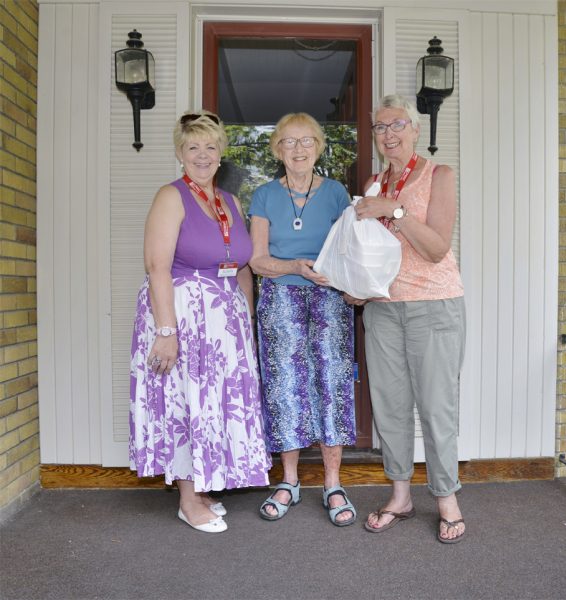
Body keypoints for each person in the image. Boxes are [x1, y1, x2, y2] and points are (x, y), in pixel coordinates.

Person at [129, 111, 271, 533]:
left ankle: (203, 487)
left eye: (210, 147)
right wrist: (166, 332)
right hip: (183, 314)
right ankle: (189, 501)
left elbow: (242, 265)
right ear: (179, 153)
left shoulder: (228, 201)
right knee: (186, 400)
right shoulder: (170, 197)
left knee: (212, 402)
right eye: (193, 147)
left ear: (221, 152)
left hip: (223, 318)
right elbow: (157, 266)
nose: (202, 155)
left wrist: (244, 322)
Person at [346, 94, 467, 543]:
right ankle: (400, 495)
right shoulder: (375, 181)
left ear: (415, 130)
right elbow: (370, 254)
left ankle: (447, 499)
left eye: (397, 124)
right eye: (380, 127)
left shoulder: (439, 174)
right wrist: (355, 285)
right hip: (381, 311)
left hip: (433, 307)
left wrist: (393, 212)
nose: (388, 134)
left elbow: (436, 248)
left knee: (437, 408)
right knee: (391, 409)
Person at [249, 113, 357, 526]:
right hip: (280, 297)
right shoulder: (263, 196)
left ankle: (332, 483)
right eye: (288, 142)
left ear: (318, 147)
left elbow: (350, 249)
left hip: (329, 298)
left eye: (306, 141)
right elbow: (258, 261)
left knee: (332, 383)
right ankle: (289, 481)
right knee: (284, 385)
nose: (297, 149)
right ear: (278, 149)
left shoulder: (335, 194)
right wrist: (294, 264)